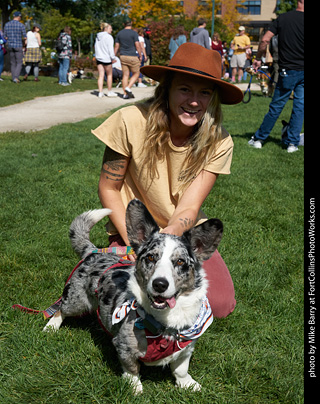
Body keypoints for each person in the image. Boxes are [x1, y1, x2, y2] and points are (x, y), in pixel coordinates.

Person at [91, 42, 243, 319]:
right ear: (167, 89)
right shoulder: (130, 120)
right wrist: (139, 248)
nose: (194, 101)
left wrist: (167, 248)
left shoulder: (220, 142)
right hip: (133, 231)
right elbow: (109, 187)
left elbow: (189, 207)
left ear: (213, 98)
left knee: (220, 304)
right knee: (111, 295)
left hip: (182, 234)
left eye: (205, 92)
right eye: (185, 89)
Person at [249, 0, 304, 153]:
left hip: (288, 70)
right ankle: (292, 144)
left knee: (276, 107)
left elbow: (265, 39)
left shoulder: (283, 18)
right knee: (299, 108)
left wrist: (258, 58)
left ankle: (259, 139)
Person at [114, 20, 141, 99]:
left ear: (123, 24)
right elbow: (137, 45)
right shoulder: (134, 33)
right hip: (132, 56)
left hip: (123, 56)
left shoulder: (119, 33)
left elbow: (116, 46)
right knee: (136, 73)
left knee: (125, 75)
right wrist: (140, 55)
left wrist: (113, 56)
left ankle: (125, 94)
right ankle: (128, 87)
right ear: (131, 23)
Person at [94, 22, 117, 98]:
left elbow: (96, 47)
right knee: (109, 75)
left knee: (101, 75)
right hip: (106, 59)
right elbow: (110, 49)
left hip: (99, 58)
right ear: (106, 28)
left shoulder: (97, 37)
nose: (111, 30)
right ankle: (109, 91)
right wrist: (113, 58)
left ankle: (100, 92)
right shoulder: (109, 37)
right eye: (110, 28)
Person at [3, 11, 27, 83]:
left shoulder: (7, 25)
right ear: (19, 17)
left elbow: (5, 37)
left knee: (12, 63)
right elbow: (25, 37)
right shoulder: (21, 25)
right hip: (18, 45)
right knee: (19, 62)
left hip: (10, 46)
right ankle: (16, 77)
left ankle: (13, 78)